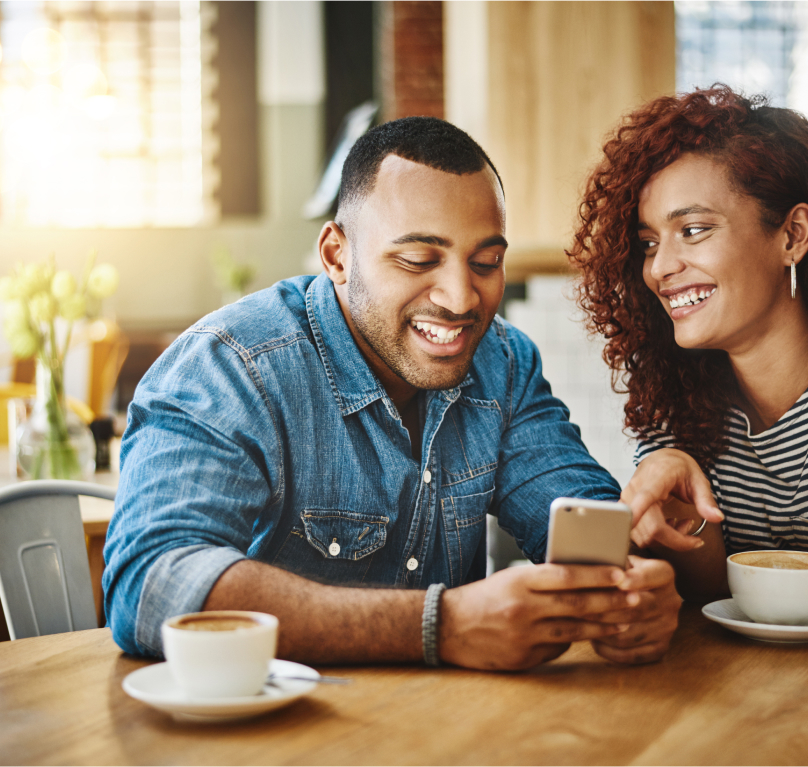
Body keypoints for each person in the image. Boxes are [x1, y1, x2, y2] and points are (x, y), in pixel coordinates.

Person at [104, 117, 682, 670]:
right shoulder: (230, 366)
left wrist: (631, 587)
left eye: (485, 262)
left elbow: (582, 516)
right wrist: (441, 625)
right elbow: (151, 584)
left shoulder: (503, 363)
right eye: (417, 260)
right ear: (337, 255)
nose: (460, 298)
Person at [568, 85, 808, 599]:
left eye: (694, 230)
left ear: (792, 236)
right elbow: (711, 609)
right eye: (649, 243)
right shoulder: (678, 408)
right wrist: (680, 501)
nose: (660, 268)